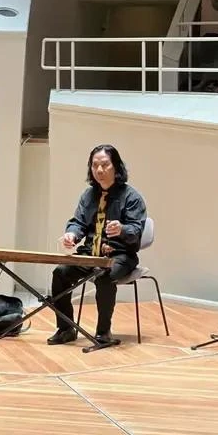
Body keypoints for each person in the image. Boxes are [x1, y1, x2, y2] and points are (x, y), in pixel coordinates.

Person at [47, 144, 147, 347]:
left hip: (120, 255)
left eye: (104, 165)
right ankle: (66, 328)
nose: (99, 170)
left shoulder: (132, 197)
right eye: (95, 166)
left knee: (103, 277)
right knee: (60, 272)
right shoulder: (88, 195)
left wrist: (121, 229)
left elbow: (136, 231)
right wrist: (71, 235)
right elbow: (78, 223)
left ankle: (103, 333)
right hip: (90, 252)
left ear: (116, 167)